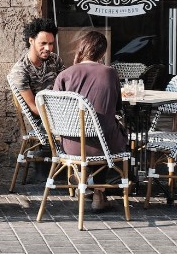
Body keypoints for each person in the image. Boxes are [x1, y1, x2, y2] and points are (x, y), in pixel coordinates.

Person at [52, 31, 127, 212]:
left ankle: (82, 177)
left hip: (71, 146)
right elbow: (117, 108)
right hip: (104, 146)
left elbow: (54, 112)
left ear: (81, 48)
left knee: (99, 132)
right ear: (102, 53)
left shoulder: (64, 75)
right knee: (111, 130)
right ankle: (99, 192)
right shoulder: (110, 73)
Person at [8, 18, 65, 116]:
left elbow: (67, 87)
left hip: (62, 111)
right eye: (43, 43)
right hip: (42, 121)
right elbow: (33, 108)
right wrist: (60, 117)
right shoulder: (20, 71)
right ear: (31, 40)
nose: (48, 48)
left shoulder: (54, 59)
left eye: (51, 43)